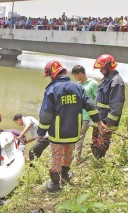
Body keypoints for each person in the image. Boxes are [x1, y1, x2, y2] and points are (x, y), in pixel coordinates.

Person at [37, 61, 106, 192]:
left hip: (58, 132)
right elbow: (90, 106)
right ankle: (66, 175)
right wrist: (99, 122)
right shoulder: (78, 88)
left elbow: (46, 115)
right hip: (74, 131)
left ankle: (55, 184)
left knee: (56, 156)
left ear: (53, 75)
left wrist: (41, 132)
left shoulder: (52, 90)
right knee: (68, 153)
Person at [91, 54, 125, 159]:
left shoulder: (116, 82)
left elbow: (116, 105)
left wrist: (108, 123)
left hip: (106, 121)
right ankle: (96, 162)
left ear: (108, 66)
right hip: (100, 119)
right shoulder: (106, 79)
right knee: (95, 142)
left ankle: (99, 165)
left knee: (102, 145)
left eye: (102, 68)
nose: (100, 71)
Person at [71, 65, 99, 163]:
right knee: (74, 135)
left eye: (75, 75)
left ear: (80, 74)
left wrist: (95, 116)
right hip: (77, 115)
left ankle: (77, 158)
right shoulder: (77, 84)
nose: (75, 78)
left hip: (87, 115)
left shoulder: (93, 84)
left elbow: (97, 100)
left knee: (80, 136)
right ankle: (71, 155)